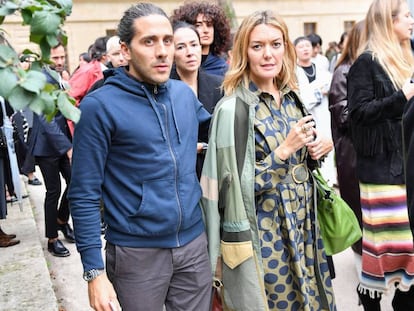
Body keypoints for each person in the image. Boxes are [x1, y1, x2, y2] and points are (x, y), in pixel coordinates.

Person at [68, 3, 212, 311]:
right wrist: (94, 272)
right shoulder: (99, 106)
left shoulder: (184, 95)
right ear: (126, 49)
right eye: (149, 41)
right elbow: (83, 193)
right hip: (136, 253)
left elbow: (222, 134)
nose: (162, 51)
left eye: (166, 40)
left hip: (194, 246)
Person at [200, 10, 336, 310]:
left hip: (305, 229)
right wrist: (284, 152)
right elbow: (229, 190)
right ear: (244, 52)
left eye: (276, 44)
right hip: (265, 239)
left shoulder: (291, 98)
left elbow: (300, 165)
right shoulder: (232, 109)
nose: (268, 54)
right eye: (257, 46)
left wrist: (313, 154)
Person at [347, 0, 414, 309]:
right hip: (382, 173)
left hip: (407, 166)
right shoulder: (367, 62)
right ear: (389, 21)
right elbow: (358, 114)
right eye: (407, 15)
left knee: (407, 251)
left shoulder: (407, 56)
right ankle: (370, 295)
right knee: (390, 250)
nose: (412, 20)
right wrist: (402, 96)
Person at [28, 43, 74, 257]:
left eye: (62, 56)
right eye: (55, 57)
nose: (59, 61)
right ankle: (52, 238)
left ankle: (62, 219)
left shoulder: (56, 76)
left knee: (76, 183)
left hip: (63, 140)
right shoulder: (38, 79)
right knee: (53, 191)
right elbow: (46, 120)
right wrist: (68, 148)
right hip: (46, 146)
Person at [328, 20, 365, 257]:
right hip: (352, 154)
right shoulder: (344, 71)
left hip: (372, 153)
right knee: (359, 213)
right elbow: (344, 117)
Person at [170, 21, 223, 178]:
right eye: (180, 47)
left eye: (194, 45)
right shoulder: (162, 88)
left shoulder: (219, 85)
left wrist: (201, 148)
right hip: (177, 175)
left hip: (213, 173)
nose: (189, 52)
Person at [294, 36, 337, 187]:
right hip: (305, 120)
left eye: (307, 46)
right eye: (301, 46)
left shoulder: (322, 70)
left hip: (324, 117)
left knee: (327, 148)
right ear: (295, 51)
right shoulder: (294, 73)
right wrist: (318, 93)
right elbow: (302, 98)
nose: (305, 49)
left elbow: (332, 88)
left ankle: (329, 184)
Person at [170, 1, 231, 77]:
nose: (205, 30)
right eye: (198, 25)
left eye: (209, 25)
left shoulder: (223, 67)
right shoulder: (173, 67)